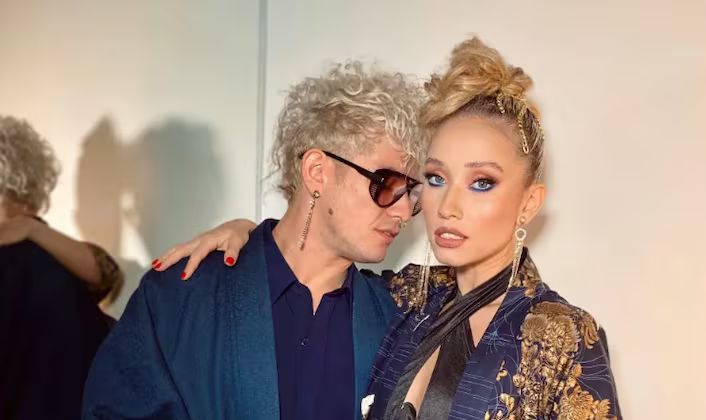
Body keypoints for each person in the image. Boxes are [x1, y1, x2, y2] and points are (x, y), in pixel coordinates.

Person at [159, 37, 621, 419]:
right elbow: (311, 259)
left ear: (529, 203)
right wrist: (246, 233)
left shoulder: (563, 337)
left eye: (482, 182)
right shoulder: (407, 299)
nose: (448, 207)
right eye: (435, 179)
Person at [82, 61, 426, 419]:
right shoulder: (181, 295)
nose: (403, 212)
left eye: (411, 193)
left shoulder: (394, 321)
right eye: (387, 185)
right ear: (317, 172)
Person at [0, 115, 123, 420]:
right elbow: (107, 275)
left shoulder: (42, 265)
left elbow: (107, 274)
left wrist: (29, 229)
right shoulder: (65, 268)